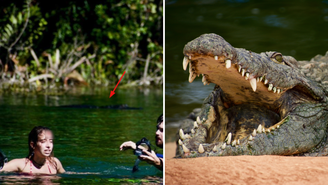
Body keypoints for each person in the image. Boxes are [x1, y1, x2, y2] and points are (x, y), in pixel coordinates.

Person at [0, 126, 65, 174]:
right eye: (43, 141)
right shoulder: (20, 165)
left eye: (51, 141)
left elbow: (66, 174)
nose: (48, 146)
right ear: (33, 145)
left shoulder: (55, 163)